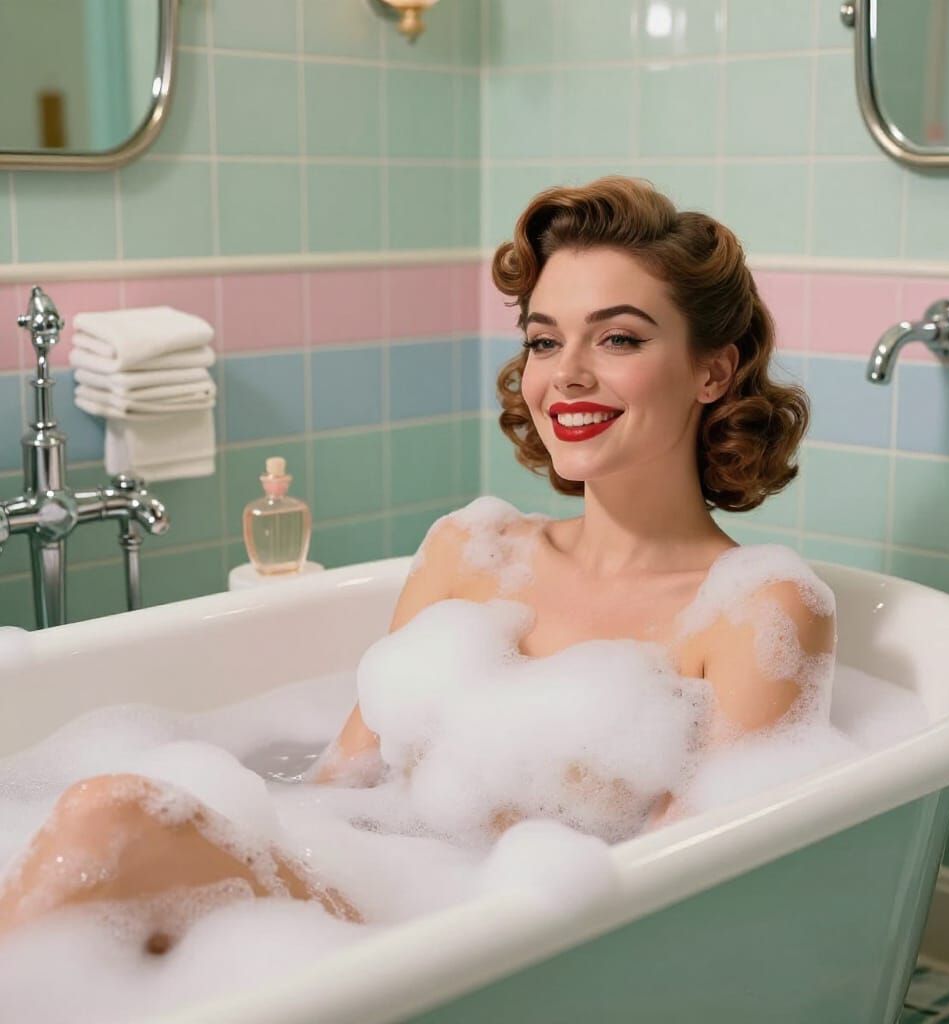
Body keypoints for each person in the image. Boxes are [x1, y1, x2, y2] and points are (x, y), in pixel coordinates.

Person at [0, 176, 836, 951]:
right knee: (109, 819)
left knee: (112, 821)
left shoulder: (757, 612)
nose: (568, 375)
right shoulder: (469, 554)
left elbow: (688, 904)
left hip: (519, 958)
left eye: (618, 337)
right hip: (365, 917)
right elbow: (341, 786)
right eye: (545, 343)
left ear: (713, 371)